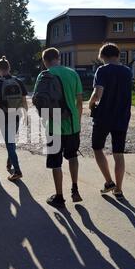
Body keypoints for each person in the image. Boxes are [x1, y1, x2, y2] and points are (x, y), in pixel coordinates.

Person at [34, 48, 83, 208]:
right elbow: (79, 101)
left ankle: (59, 196)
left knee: (56, 162)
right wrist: (77, 120)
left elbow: (38, 100)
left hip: (53, 126)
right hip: (72, 124)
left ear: (44, 61)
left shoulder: (43, 75)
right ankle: (75, 188)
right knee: (72, 156)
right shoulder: (72, 73)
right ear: (58, 58)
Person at [88, 43, 132, 201]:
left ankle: (108, 182)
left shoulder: (102, 70)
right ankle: (119, 190)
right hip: (122, 116)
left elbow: (98, 92)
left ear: (102, 56)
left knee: (97, 148)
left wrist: (91, 103)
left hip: (104, 116)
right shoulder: (127, 71)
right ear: (118, 55)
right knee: (118, 153)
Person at [0, 56, 28, 182]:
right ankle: (10, 161)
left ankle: (17, 171)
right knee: (11, 141)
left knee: (10, 143)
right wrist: (26, 116)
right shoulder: (18, 81)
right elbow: (24, 101)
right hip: (17, 115)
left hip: (4, 116)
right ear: (9, 68)